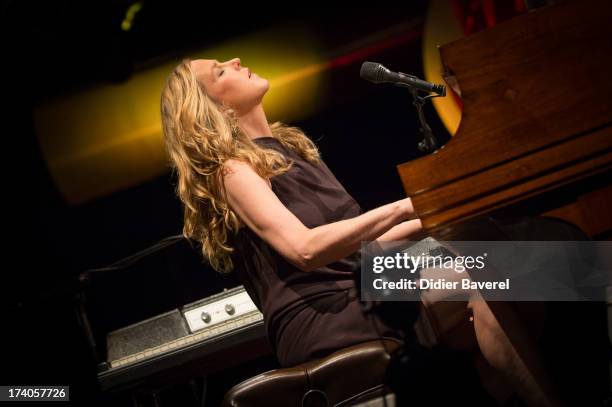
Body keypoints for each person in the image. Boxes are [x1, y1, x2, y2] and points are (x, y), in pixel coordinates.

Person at [160, 57, 564, 406]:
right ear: (212, 106)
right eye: (219, 71)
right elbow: (304, 250)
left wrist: (442, 210)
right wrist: (407, 205)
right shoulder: (233, 170)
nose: (234, 61)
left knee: (516, 272)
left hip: (364, 284)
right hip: (326, 313)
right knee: (493, 272)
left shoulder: (293, 151)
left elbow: (360, 250)